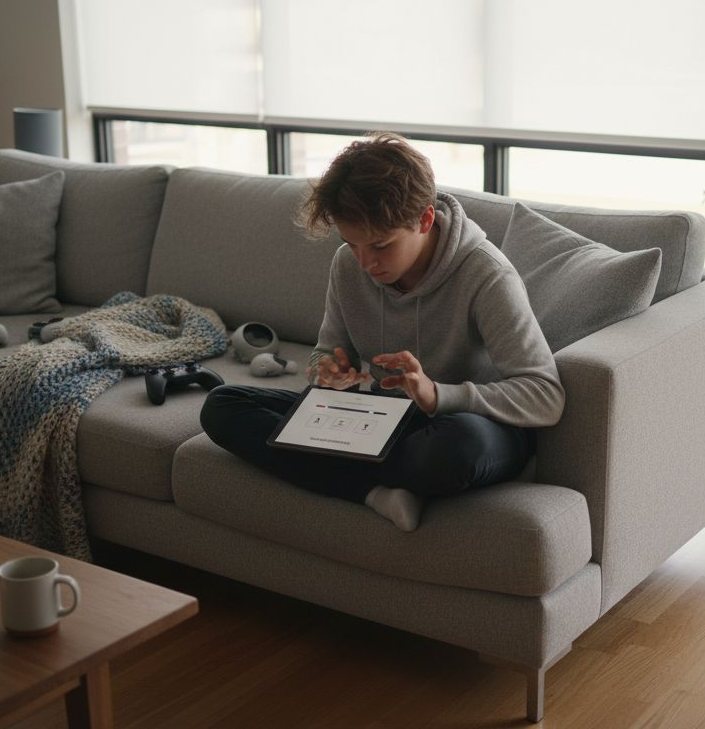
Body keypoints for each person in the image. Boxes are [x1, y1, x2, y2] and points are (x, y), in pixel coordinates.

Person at [199, 132, 564, 531]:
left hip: (465, 425)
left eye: (381, 245)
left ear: (424, 219)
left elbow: (545, 396)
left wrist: (438, 394)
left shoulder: (486, 275)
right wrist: (329, 373)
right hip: (381, 418)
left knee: (451, 450)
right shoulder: (347, 264)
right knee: (223, 406)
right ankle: (374, 492)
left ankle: (349, 471)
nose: (365, 262)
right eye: (353, 245)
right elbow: (326, 352)